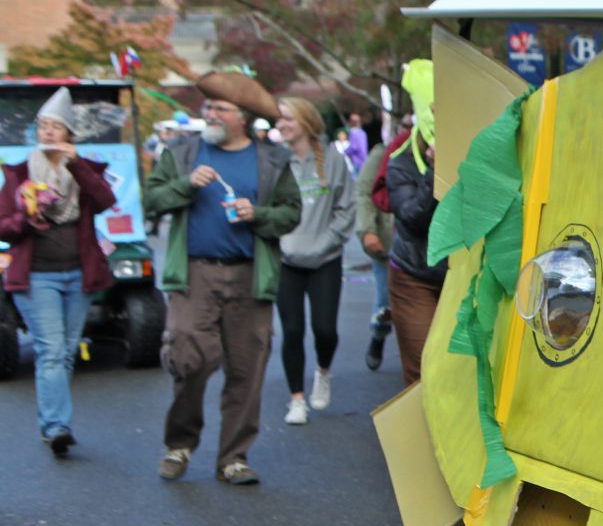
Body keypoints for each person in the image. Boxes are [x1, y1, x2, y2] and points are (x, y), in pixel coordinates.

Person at [142, 73, 302, 485]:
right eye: (208, 106)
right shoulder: (180, 152)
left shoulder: (272, 161)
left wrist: (259, 215)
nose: (209, 114)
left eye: (219, 108)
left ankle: (234, 457)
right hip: (195, 272)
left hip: (251, 275)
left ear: (243, 117)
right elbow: (152, 199)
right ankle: (179, 444)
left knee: (247, 368)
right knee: (189, 358)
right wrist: (184, 185)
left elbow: (290, 213)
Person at [0, 89, 118, 456]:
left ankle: (52, 420)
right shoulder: (20, 173)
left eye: (56, 127)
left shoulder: (84, 171)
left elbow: (105, 202)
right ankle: (56, 427)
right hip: (36, 276)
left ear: (69, 134)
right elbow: (3, 227)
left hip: (79, 274)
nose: (48, 133)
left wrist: (77, 164)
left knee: (66, 352)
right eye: (43, 127)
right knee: (51, 351)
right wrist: (27, 218)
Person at [273, 95, 356, 424]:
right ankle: (296, 400)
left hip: (325, 258)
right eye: (279, 119)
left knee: (325, 331)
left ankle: (323, 371)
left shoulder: (333, 160)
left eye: (287, 119)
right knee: (291, 330)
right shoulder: (276, 162)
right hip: (286, 260)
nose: (281, 124)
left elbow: (346, 209)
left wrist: (327, 243)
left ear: (306, 123)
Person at [384, 63, 443, 384]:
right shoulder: (402, 163)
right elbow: (413, 221)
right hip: (415, 276)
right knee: (424, 372)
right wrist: (436, 171)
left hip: (460, 276)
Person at [356, 135, 395, 370]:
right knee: (386, 300)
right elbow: (364, 193)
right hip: (389, 243)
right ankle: (378, 335)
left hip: (424, 243)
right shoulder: (384, 153)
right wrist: (368, 230)